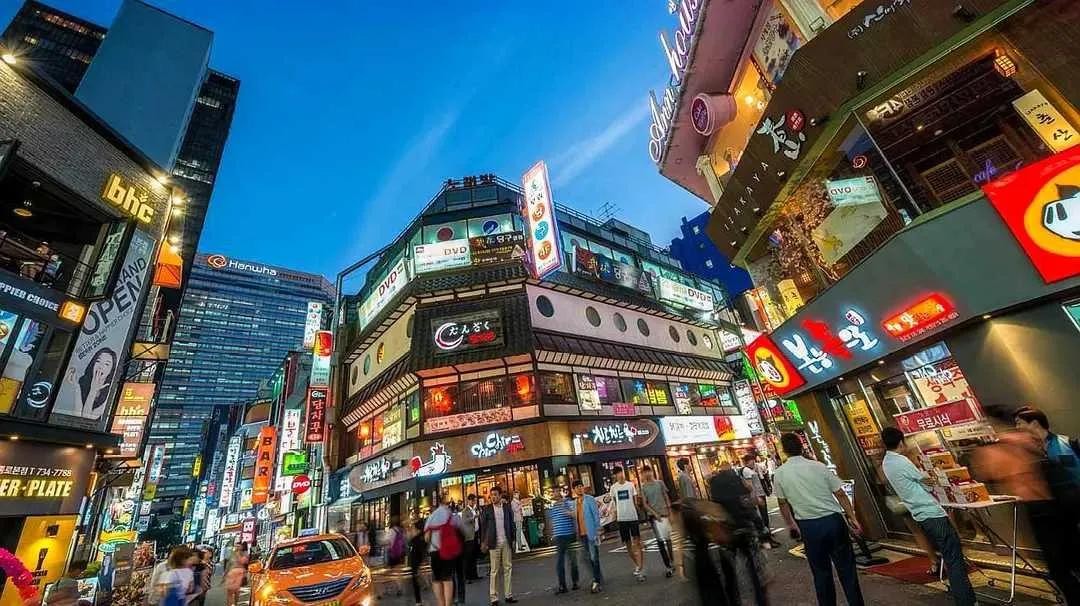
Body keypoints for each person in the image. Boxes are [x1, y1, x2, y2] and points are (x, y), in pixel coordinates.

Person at [973, 405, 1080, 603]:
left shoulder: (999, 447)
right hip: (1058, 504)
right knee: (1072, 554)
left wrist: (983, 449)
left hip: (1039, 509)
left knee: (1057, 565)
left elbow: (986, 473)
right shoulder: (1029, 440)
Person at [880, 427, 976, 605]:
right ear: (901, 442)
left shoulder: (887, 462)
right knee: (954, 559)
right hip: (932, 513)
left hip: (920, 514)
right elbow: (926, 482)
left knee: (950, 556)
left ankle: (963, 596)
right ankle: (966, 600)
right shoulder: (901, 461)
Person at [773, 432, 865, 606]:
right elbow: (840, 493)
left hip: (809, 526)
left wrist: (791, 524)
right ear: (802, 447)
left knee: (821, 572)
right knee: (847, 569)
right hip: (833, 521)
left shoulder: (780, 473)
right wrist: (853, 517)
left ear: (783, 450)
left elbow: (782, 503)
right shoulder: (818, 466)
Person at [479, 486, 517, 606]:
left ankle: (508, 595)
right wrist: (483, 542)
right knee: (494, 570)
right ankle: (494, 597)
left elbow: (511, 524)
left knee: (508, 568)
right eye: (491, 495)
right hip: (493, 542)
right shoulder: (487, 509)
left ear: (500, 495)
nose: (493, 497)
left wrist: (513, 539)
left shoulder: (506, 507)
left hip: (506, 541)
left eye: (495, 495)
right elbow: (483, 527)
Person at [606, 466, 645, 582]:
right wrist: (614, 514)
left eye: (621, 472)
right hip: (622, 519)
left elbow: (635, 501)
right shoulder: (613, 488)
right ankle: (637, 565)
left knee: (637, 542)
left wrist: (639, 511)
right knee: (628, 545)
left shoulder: (630, 485)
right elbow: (614, 503)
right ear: (615, 476)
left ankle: (640, 567)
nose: (620, 475)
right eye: (617, 473)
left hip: (632, 517)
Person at [425, 494, 465, 606]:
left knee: (437, 579)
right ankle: (448, 604)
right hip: (448, 551)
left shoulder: (431, 517)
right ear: (447, 503)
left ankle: (441, 603)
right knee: (448, 578)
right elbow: (461, 529)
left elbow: (427, 537)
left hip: (435, 552)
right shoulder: (451, 515)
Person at [569, 480, 604, 593]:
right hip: (581, 534)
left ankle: (597, 581)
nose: (579, 488)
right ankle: (597, 578)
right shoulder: (575, 502)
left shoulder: (589, 499)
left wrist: (598, 530)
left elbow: (596, 515)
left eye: (581, 486)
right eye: (577, 487)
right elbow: (576, 517)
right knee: (588, 558)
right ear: (574, 490)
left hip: (591, 533)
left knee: (594, 557)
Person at [741, 454, 782, 548]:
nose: (753, 462)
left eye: (753, 460)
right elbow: (750, 486)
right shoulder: (746, 470)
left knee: (764, 516)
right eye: (751, 461)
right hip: (757, 496)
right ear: (746, 462)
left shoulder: (752, 469)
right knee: (762, 518)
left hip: (760, 494)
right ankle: (766, 539)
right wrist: (756, 498)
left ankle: (767, 535)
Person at [640, 466, 674, 577]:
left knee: (668, 539)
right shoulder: (643, 487)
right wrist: (655, 514)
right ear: (642, 474)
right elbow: (645, 504)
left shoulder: (660, 483)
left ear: (651, 472)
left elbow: (666, 497)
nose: (647, 474)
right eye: (644, 472)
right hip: (654, 518)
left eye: (648, 471)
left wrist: (670, 511)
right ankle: (668, 566)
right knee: (660, 541)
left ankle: (672, 561)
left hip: (665, 514)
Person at [549, 485, 580, 593]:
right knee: (560, 562)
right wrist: (553, 533)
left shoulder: (567, 502)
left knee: (572, 560)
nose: (554, 493)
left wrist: (565, 510)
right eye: (553, 492)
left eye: (556, 491)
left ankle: (575, 582)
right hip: (559, 537)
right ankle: (562, 585)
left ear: (560, 492)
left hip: (570, 535)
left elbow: (574, 514)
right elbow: (553, 521)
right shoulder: (553, 507)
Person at [381, 516, 407, 599]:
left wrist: (381, 542)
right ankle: (399, 588)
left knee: (388, 572)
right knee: (397, 572)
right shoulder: (401, 530)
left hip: (392, 554)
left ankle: (386, 590)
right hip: (400, 554)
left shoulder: (391, 531)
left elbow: (387, 541)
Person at [408, 518, 428, 606]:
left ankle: (418, 602)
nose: (412, 529)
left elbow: (414, 551)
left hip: (415, 563)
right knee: (416, 581)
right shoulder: (423, 537)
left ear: (417, 529)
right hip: (419, 562)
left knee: (415, 581)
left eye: (413, 528)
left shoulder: (415, 539)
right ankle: (418, 601)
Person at [462, 494, 481, 581]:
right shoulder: (465, 510)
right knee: (468, 557)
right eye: (472, 500)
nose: (474, 502)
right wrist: (473, 517)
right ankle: (468, 576)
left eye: (474, 500)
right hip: (469, 536)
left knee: (474, 556)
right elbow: (464, 521)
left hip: (476, 534)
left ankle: (474, 575)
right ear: (469, 501)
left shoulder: (475, 509)